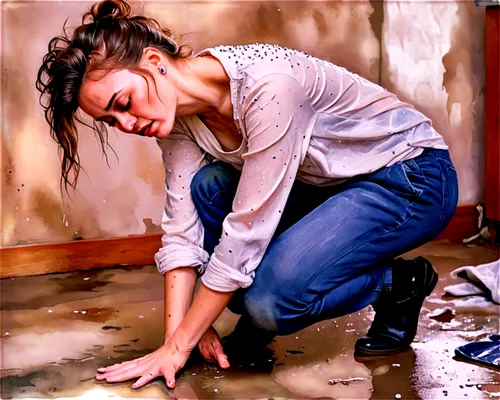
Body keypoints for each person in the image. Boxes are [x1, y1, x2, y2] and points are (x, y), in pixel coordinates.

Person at [36, 0, 459, 390]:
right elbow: (183, 234)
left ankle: (398, 284)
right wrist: (178, 338)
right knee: (209, 189)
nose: (126, 124)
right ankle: (283, 285)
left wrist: (179, 345)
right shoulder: (179, 120)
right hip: (330, 186)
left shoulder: (269, 88)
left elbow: (243, 239)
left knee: (266, 302)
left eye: (124, 103)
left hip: (410, 177)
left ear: (153, 61)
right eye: (111, 120)